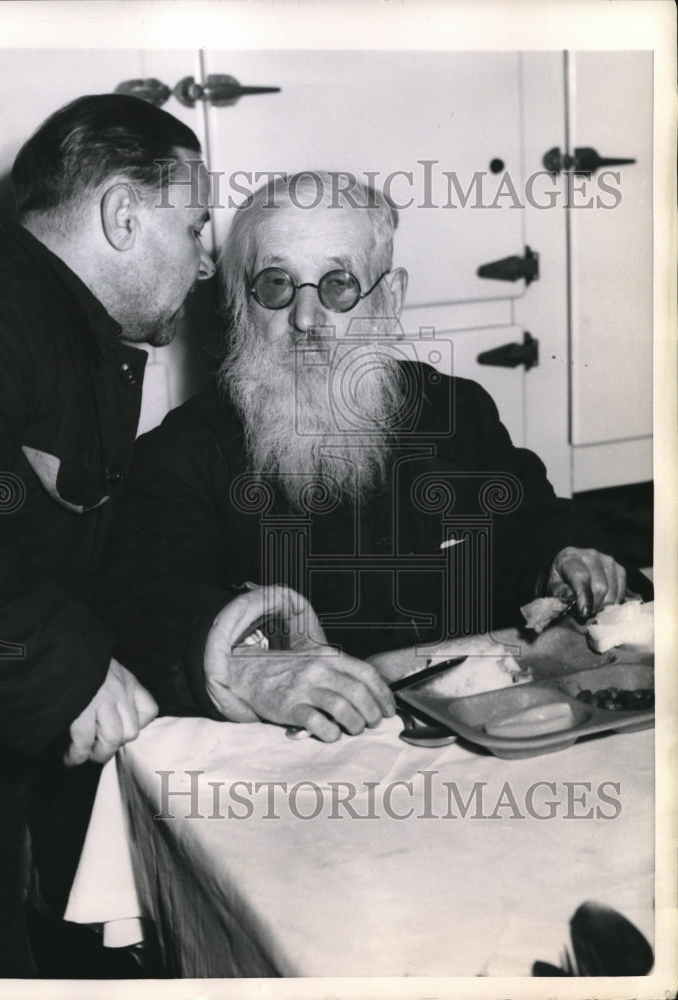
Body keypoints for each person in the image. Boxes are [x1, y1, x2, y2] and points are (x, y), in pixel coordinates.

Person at [101, 171, 649, 744]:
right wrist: (248, 666)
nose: (306, 319)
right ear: (242, 301)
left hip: (474, 739)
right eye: (276, 284)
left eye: (338, 285)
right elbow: (146, 602)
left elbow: (530, 524)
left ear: (388, 298)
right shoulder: (181, 455)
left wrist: (564, 559)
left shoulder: (455, 413)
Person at [0, 93, 214, 977]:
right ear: (121, 214)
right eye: (194, 226)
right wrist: (66, 671)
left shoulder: (51, 326)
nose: (206, 259)